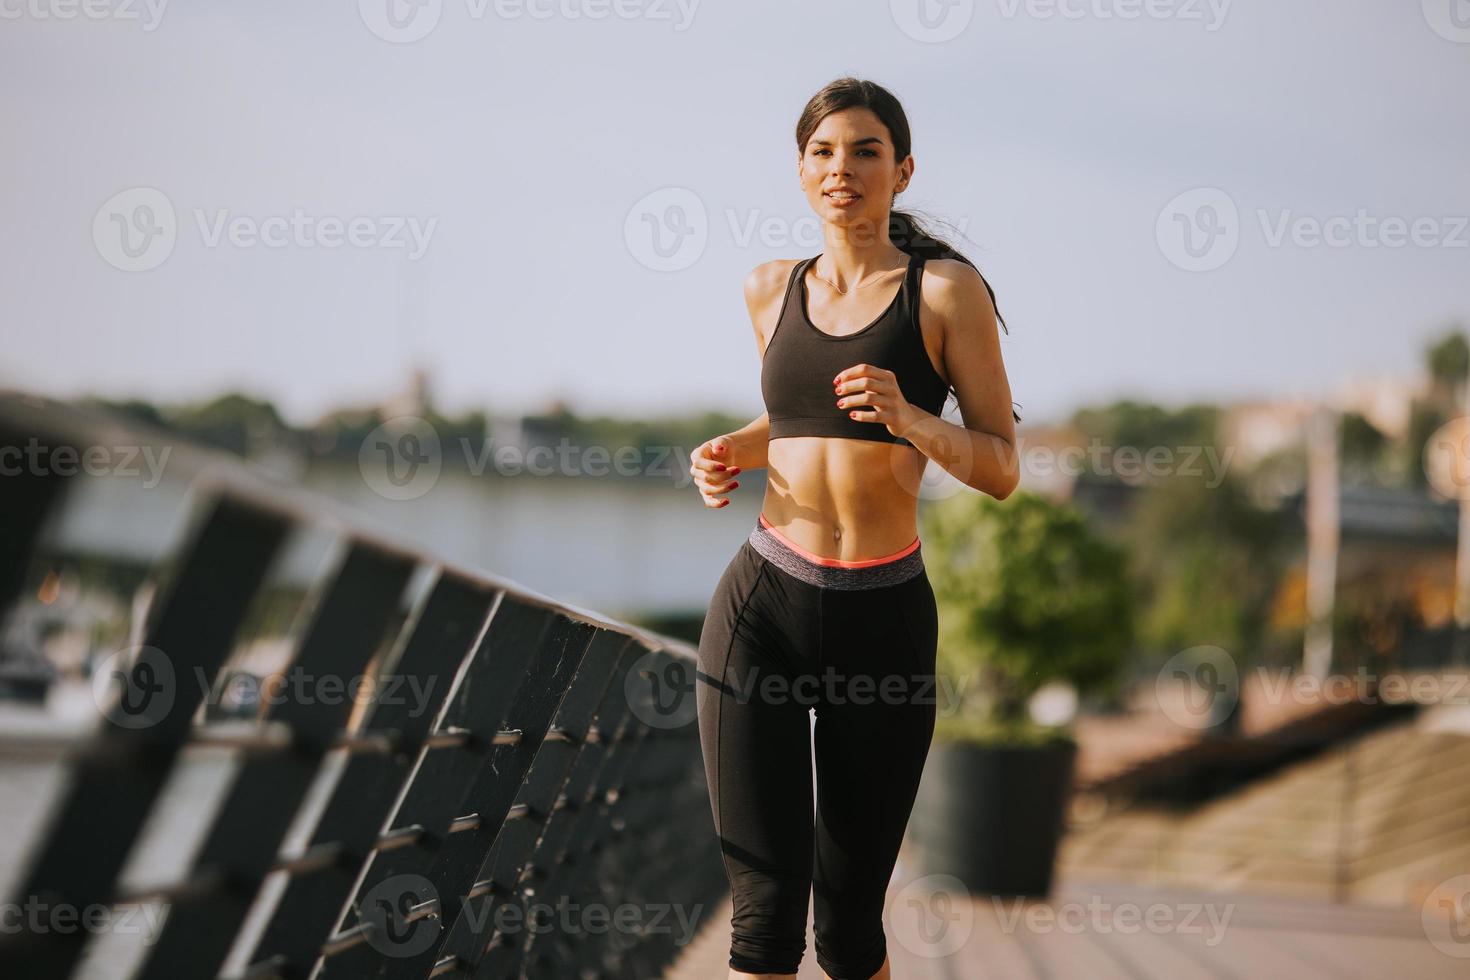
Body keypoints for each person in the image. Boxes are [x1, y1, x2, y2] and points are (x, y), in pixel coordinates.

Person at [688, 77, 1021, 980]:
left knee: (849, 931)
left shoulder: (945, 295)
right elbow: (800, 422)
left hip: (883, 620)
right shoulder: (768, 289)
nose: (843, 169)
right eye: (823, 152)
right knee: (761, 918)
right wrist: (731, 449)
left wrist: (913, 419)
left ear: (902, 171)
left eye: (866, 151)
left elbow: (1000, 467)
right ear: (800, 172)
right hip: (763, 602)